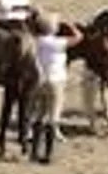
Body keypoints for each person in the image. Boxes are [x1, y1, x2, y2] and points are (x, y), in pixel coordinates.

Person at [27, 12, 84, 161]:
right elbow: (78, 37)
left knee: (38, 114)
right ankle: (48, 153)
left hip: (38, 81)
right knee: (53, 117)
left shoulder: (34, 41)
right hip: (55, 81)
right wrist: (70, 26)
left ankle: (34, 151)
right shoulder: (56, 43)